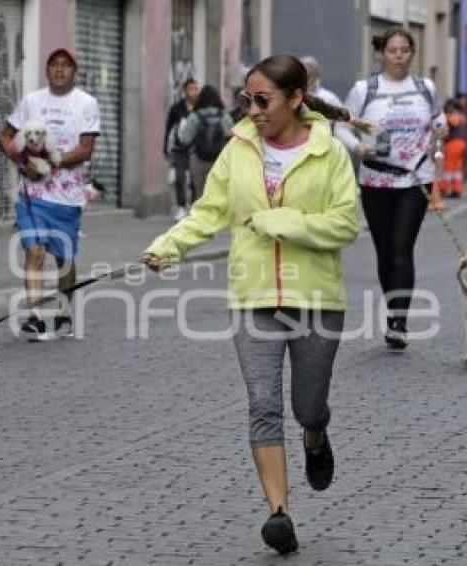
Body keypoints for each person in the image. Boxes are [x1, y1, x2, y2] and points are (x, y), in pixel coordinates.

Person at [144, 54, 360, 555]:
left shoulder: (329, 153)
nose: (253, 108)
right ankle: (279, 513)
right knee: (263, 404)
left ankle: (315, 435)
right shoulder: (237, 149)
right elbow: (209, 212)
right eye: (248, 98)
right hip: (252, 295)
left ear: (295, 99)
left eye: (264, 99)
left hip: (316, 298)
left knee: (307, 405)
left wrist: (283, 222)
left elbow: (346, 223)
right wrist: (167, 246)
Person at [335, 27, 446, 351]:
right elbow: (340, 125)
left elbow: (437, 120)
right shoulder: (364, 89)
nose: (399, 55)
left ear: (413, 53)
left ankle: (399, 320)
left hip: (415, 178)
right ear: (381, 53)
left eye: (405, 50)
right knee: (384, 250)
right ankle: (392, 307)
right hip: (375, 179)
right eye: (392, 50)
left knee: (401, 247)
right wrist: (357, 147)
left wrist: (441, 128)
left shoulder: (425, 88)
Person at [0, 48, 100, 340]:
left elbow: (86, 148)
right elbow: (4, 135)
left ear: (73, 71)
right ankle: (34, 315)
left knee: (64, 259)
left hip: (67, 197)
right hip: (32, 196)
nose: (59, 70)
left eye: (65, 66)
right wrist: (22, 163)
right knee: (35, 251)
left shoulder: (86, 104)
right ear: (47, 70)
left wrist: (53, 163)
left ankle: (64, 311)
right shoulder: (32, 101)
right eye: (53, 65)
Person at [177, 85, 235, 199]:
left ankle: (202, 215)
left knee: (200, 193)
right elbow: (232, 137)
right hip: (219, 160)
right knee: (218, 193)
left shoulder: (194, 117)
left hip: (198, 159)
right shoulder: (224, 116)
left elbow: (184, 139)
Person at [164, 79, 201, 221]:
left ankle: (193, 206)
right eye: (191, 89)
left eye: (197, 89)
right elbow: (169, 128)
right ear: (185, 92)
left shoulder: (200, 107)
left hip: (196, 149)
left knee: (193, 179)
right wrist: (165, 147)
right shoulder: (177, 108)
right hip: (179, 149)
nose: (194, 92)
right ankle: (181, 206)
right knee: (179, 178)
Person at [440, 98, 467, 198]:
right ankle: (456, 190)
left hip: (453, 143)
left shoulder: (452, 115)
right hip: (462, 142)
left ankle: (443, 189)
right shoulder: (462, 115)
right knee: (457, 168)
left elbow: (451, 124)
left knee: (448, 167)